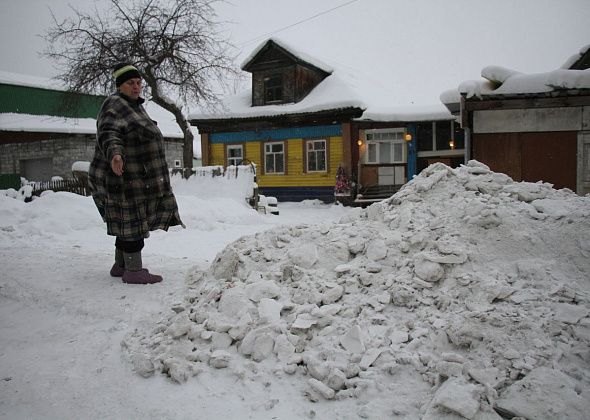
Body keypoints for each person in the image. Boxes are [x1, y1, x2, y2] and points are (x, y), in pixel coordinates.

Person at [89, 63, 184, 284]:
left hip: (137, 177)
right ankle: (133, 271)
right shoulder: (114, 104)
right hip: (123, 177)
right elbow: (109, 132)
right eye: (131, 83)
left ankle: (120, 265)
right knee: (131, 222)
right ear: (120, 86)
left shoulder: (134, 106)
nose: (136, 86)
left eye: (139, 83)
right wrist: (115, 155)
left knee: (127, 221)